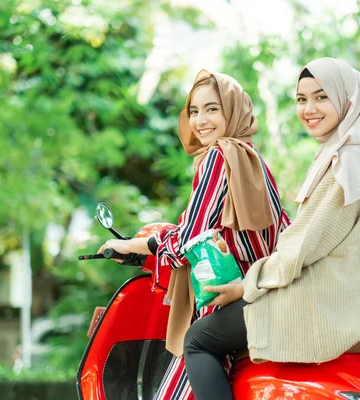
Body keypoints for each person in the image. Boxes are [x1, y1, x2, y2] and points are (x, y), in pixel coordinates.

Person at [182, 58, 360, 400]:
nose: (309, 109)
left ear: (347, 99)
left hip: (325, 299)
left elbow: (300, 248)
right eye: (302, 100)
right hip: (356, 298)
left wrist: (248, 285)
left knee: (198, 340)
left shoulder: (348, 162)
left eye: (321, 97)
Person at [98, 70, 289, 400]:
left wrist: (134, 245)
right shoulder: (253, 158)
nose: (201, 120)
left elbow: (189, 240)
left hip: (230, 294)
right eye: (194, 111)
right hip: (266, 288)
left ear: (233, 111)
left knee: (189, 356)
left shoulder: (219, 156)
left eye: (212, 109)